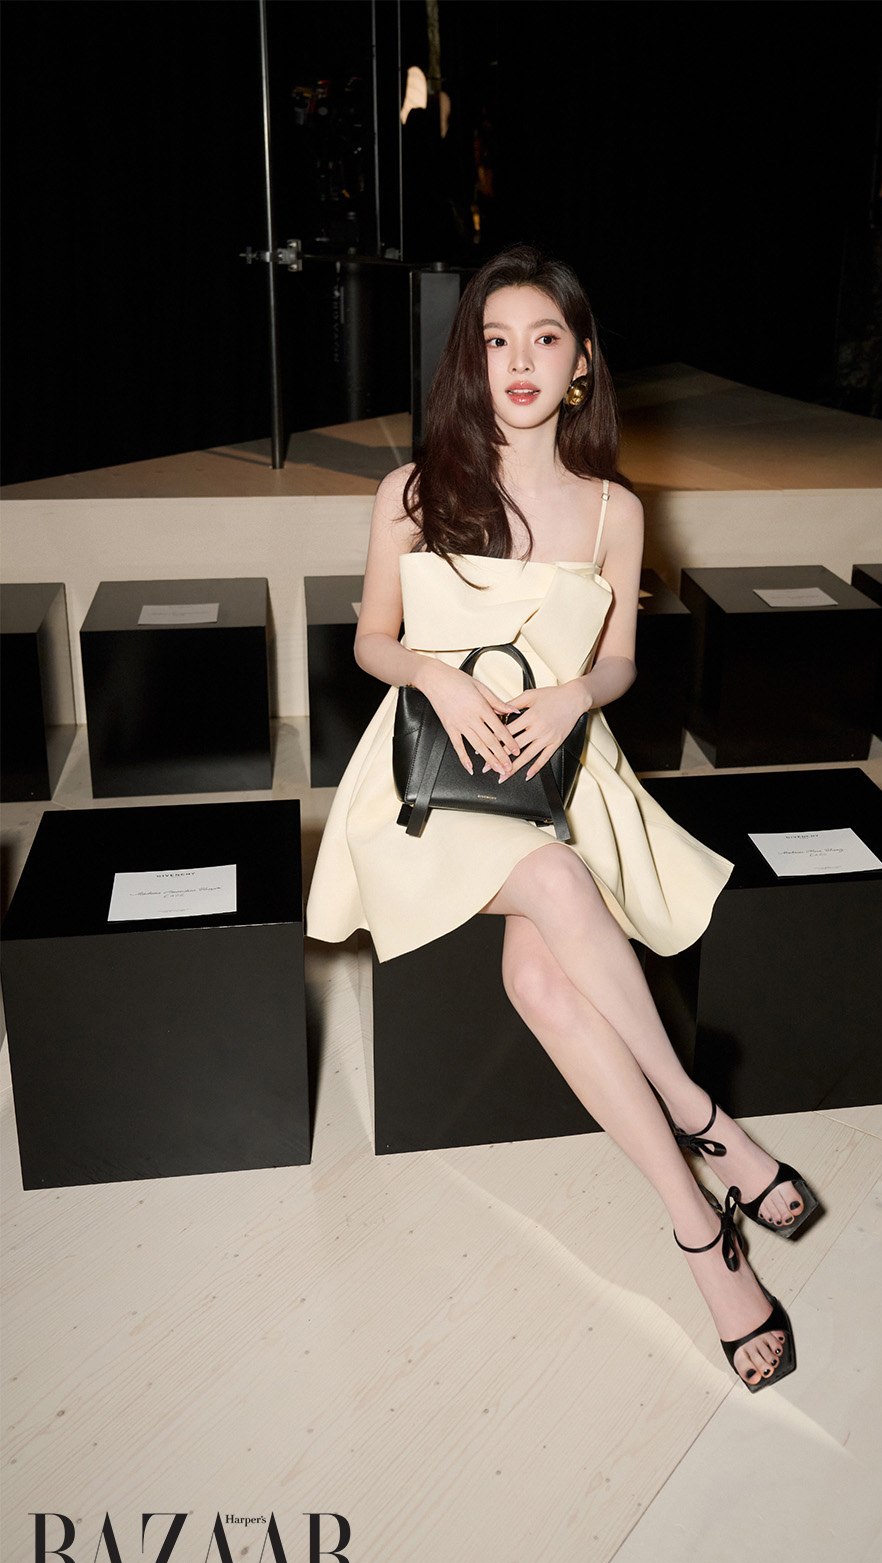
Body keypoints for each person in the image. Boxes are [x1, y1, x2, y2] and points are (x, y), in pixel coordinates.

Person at [306, 245, 818, 1391]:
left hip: (556, 769)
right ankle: (704, 1117)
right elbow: (372, 640)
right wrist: (435, 676)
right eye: (496, 342)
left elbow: (622, 659)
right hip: (430, 780)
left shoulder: (614, 511)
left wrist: (576, 693)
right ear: (471, 363)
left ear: (581, 361)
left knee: (540, 982)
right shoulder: (413, 492)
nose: (520, 363)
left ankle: (699, 1231)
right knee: (554, 883)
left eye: (544, 339)